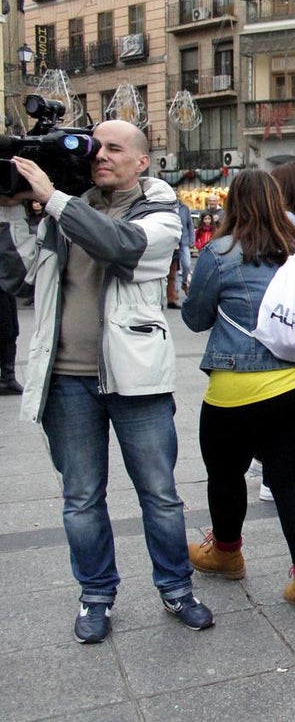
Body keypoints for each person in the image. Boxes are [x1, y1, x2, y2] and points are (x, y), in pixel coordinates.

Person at [0, 119, 213, 642]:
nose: (102, 156)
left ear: (143, 161)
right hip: (67, 380)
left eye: (115, 148)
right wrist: (15, 209)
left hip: (136, 380)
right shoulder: (64, 205)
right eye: (97, 147)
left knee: (160, 494)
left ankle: (176, 589)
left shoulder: (160, 212)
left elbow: (120, 246)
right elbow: (18, 274)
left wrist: (52, 201)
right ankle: (95, 596)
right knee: (80, 498)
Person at [180, 169, 295, 612]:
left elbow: (195, 319)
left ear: (233, 205)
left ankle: (226, 552)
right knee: (293, 482)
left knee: (226, 474)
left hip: (238, 384)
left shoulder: (220, 252)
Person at [166, 199, 194, 309]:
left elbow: (190, 224)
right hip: (170, 242)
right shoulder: (165, 207)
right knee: (169, 272)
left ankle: (182, 285)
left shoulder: (184, 208)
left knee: (186, 265)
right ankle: (172, 296)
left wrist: (192, 239)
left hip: (183, 241)